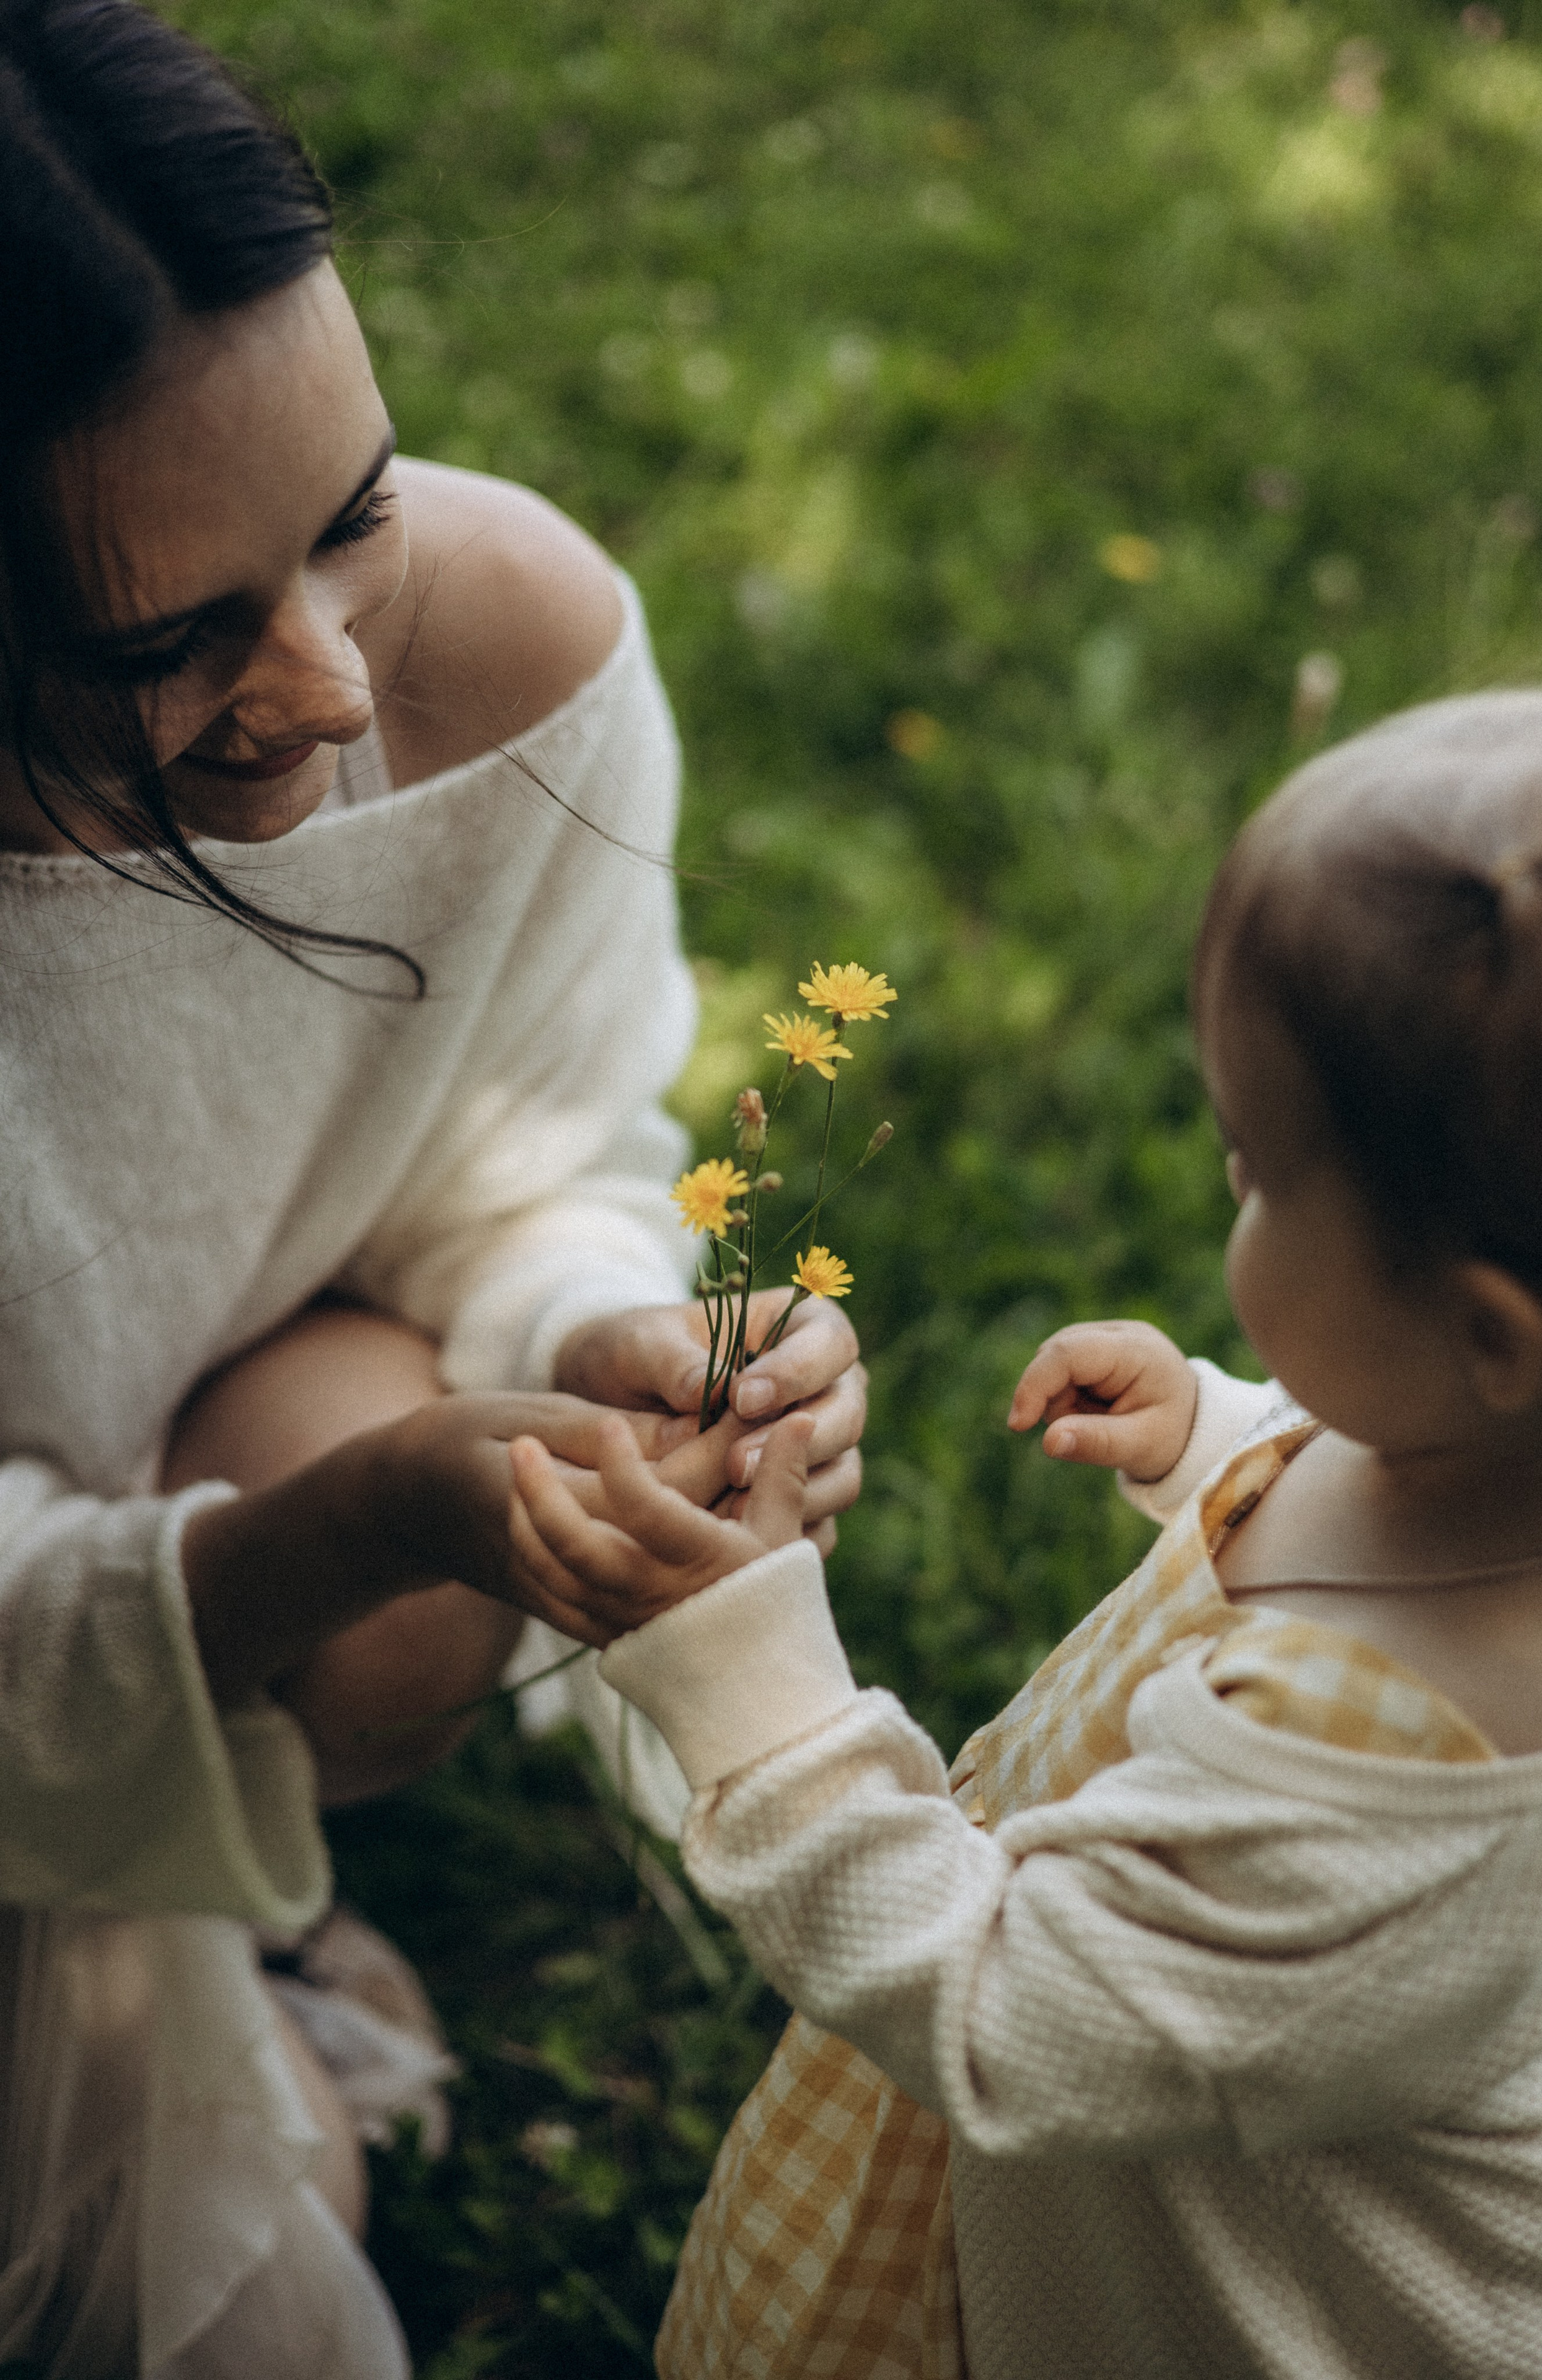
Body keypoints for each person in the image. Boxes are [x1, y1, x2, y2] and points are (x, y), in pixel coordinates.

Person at [0, 1, 866, 2370]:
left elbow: (535, 1157)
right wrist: (341, 1521)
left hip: (169, 1518)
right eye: (165, 641)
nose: (330, 684)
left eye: (352, 510)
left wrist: (592, 1334)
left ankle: (234, 1903)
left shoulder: (507, 653)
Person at [513, 687, 1542, 2378]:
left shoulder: (1377, 1795)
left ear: (1492, 1336)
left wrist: (757, 1684)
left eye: (1254, 1174)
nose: (1228, 1194)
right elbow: (1369, 1482)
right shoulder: (1512, 1473)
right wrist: (1224, 1442)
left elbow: (1011, 2014)